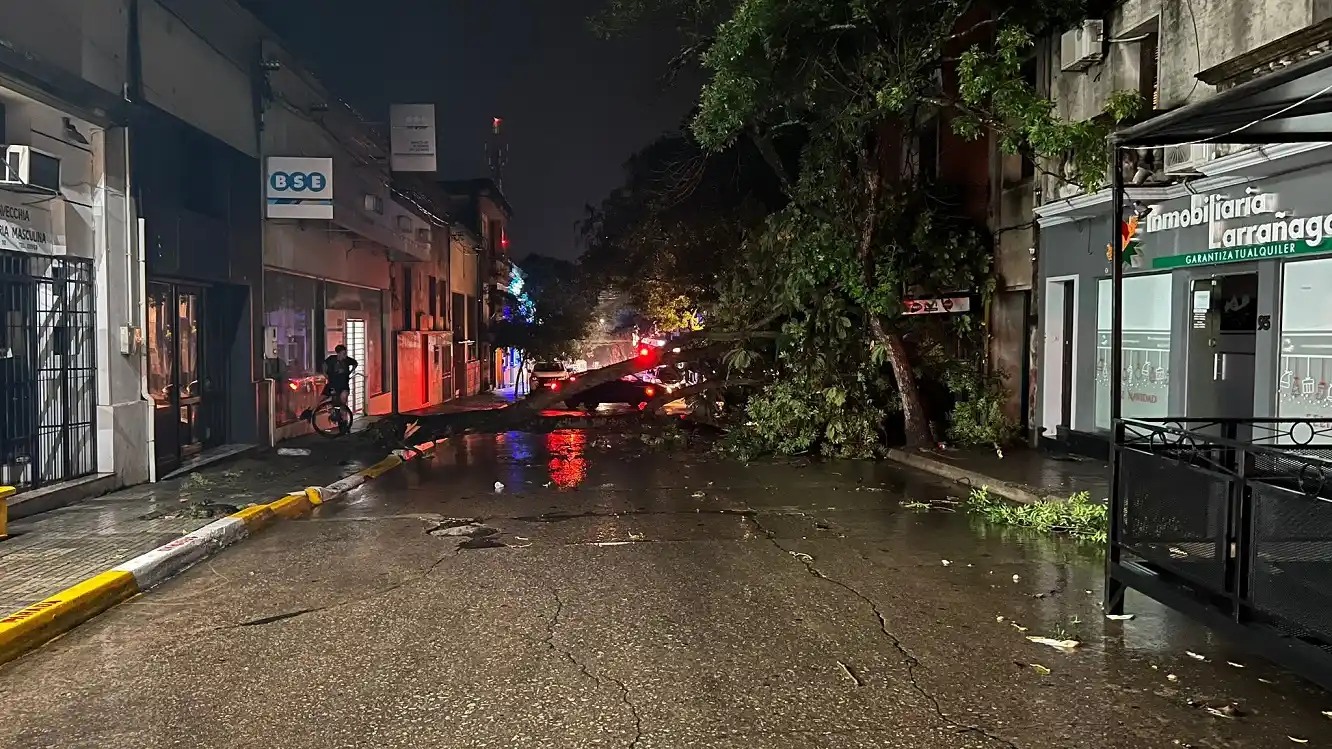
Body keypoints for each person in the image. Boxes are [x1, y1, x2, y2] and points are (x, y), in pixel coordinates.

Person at [322, 345, 358, 433]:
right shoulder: (331, 359)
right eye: (343, 354)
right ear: (338, 353)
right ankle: (333, 415)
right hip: (333, 384)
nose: (345, 356)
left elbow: (355, 363)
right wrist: (325, 374)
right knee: (328, 400)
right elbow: (324, 365)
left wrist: (349, 372)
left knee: (343, 401)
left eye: (345, 354)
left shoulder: (347, 360)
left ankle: (344, 423)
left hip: (343, 385)